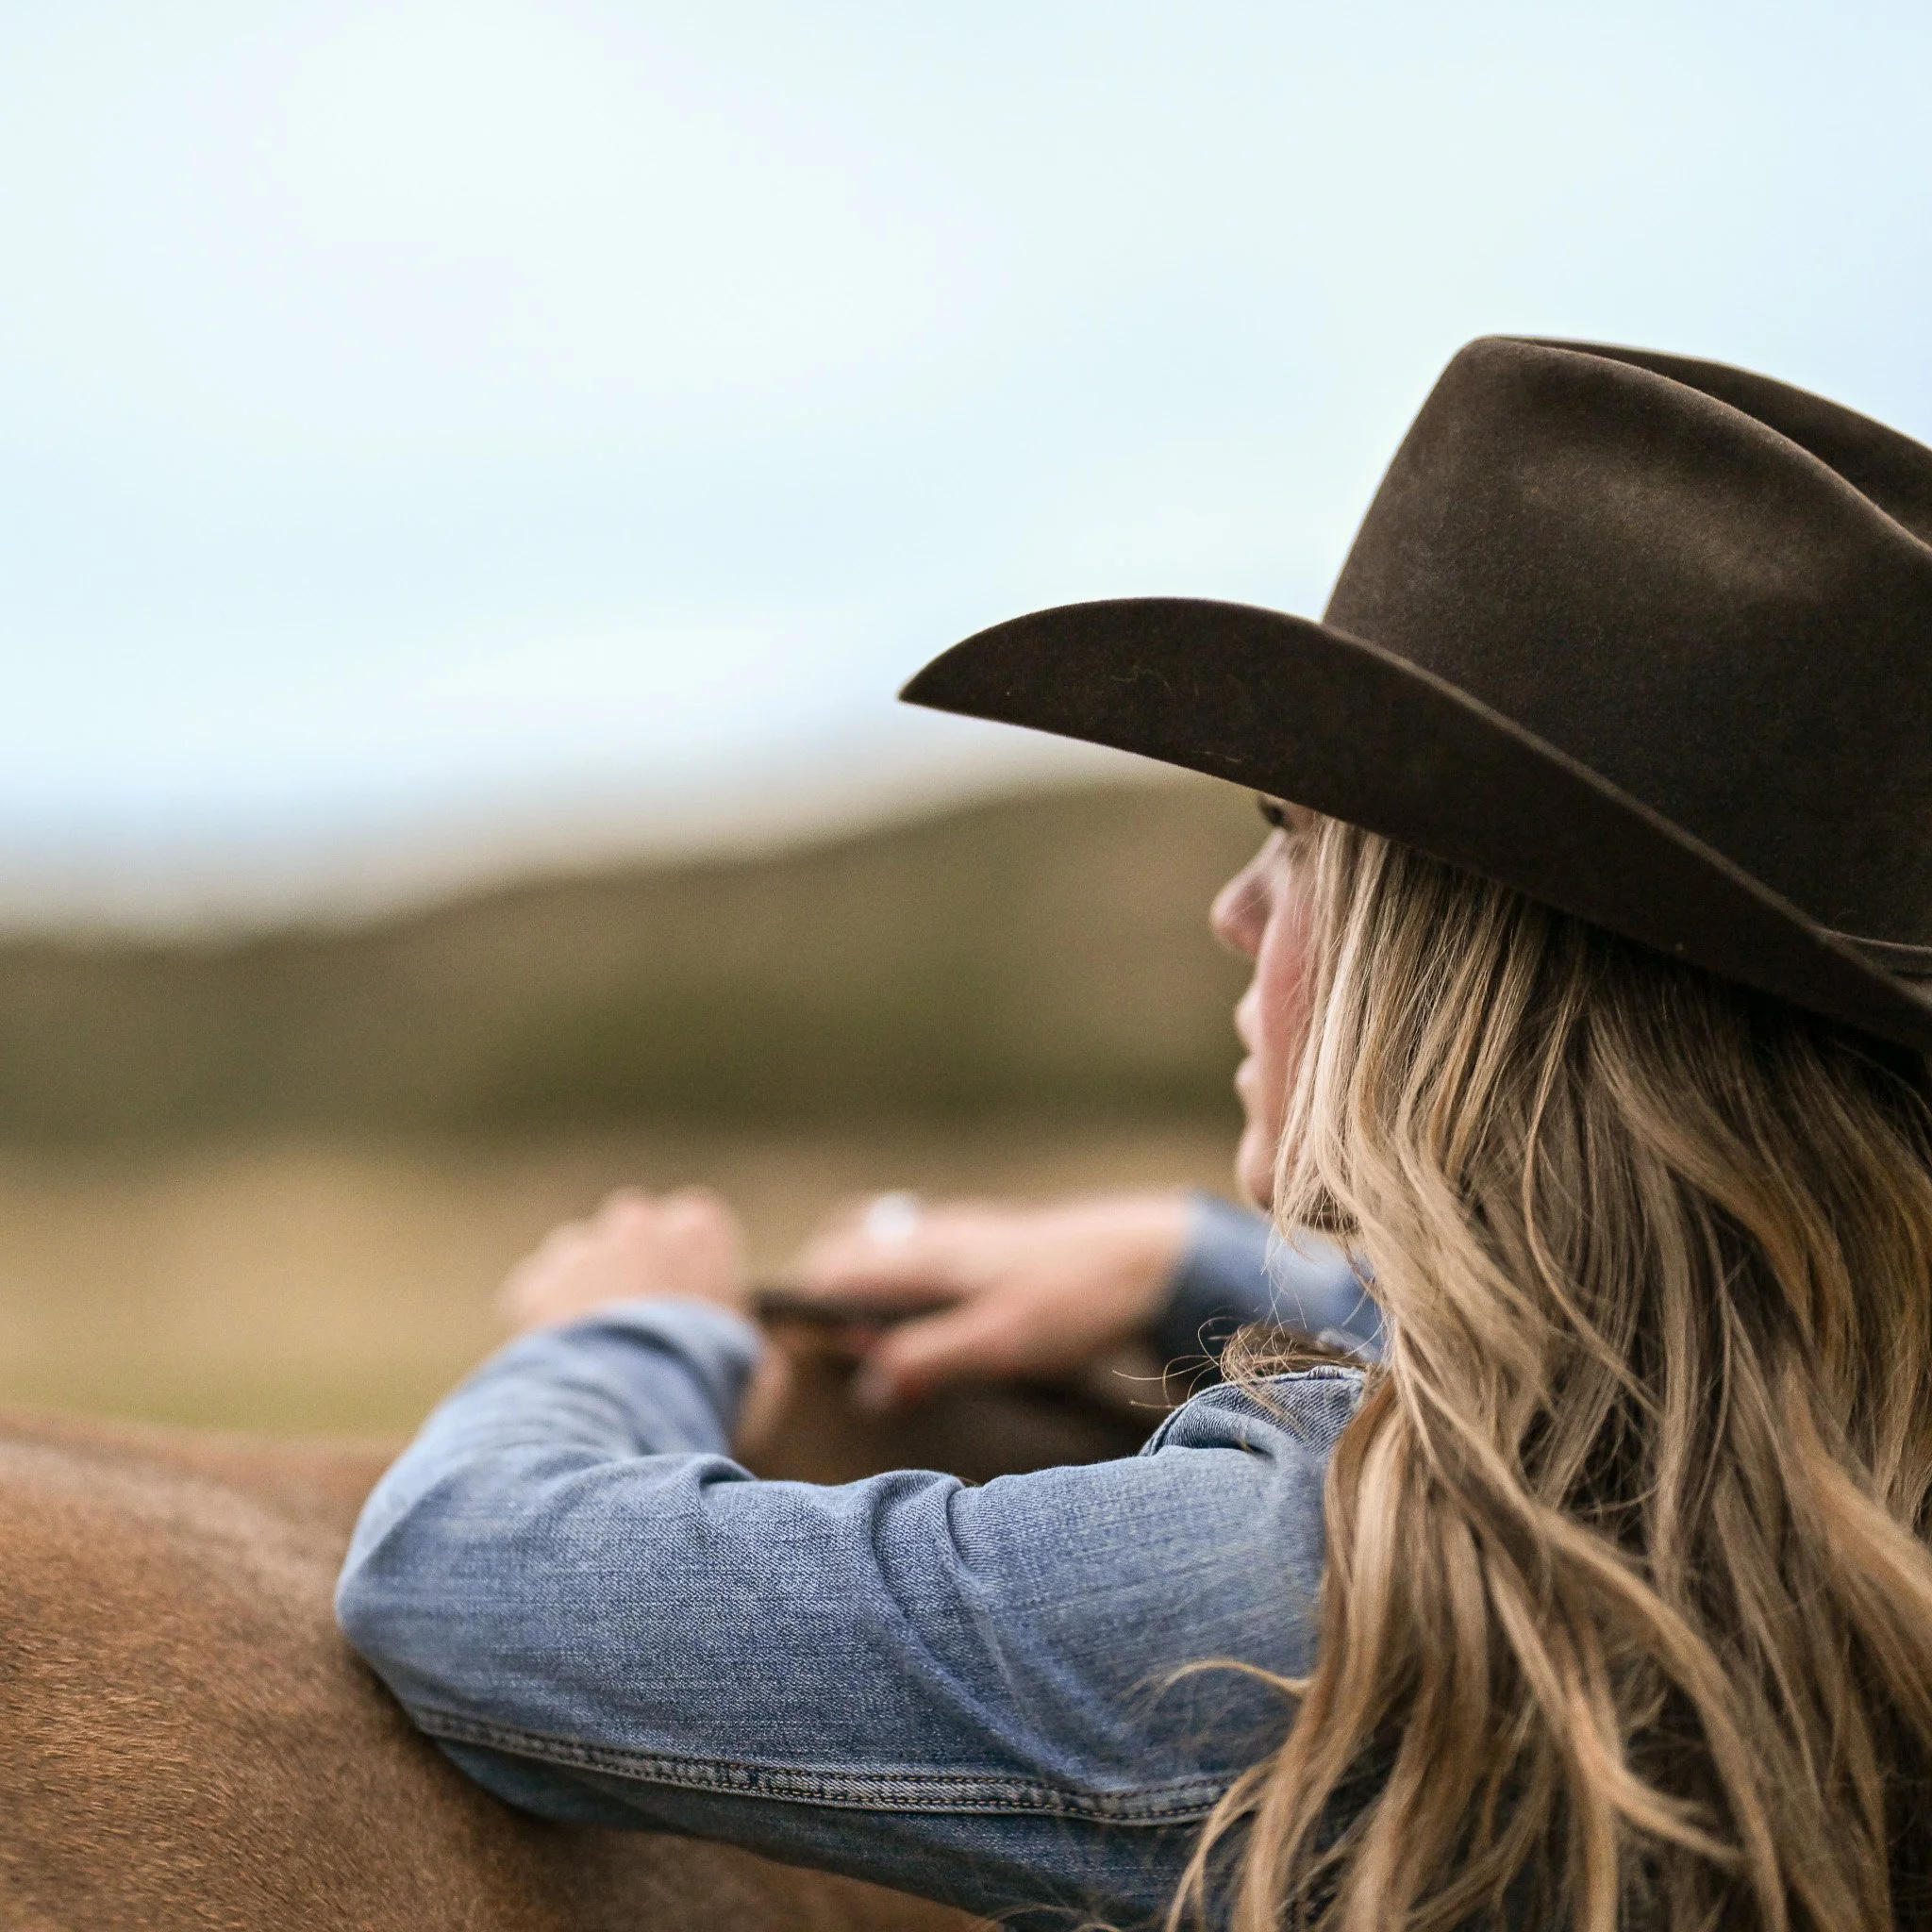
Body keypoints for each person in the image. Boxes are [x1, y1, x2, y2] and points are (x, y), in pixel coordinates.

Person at [337, 338, 1932, 1931]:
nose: (1235, 915)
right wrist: (1187, 1259)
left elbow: (466, 1584)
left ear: (1468, 980)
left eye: (1304, 850)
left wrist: (623, 1333)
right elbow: (1644, 1334)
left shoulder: (1318, 1591)